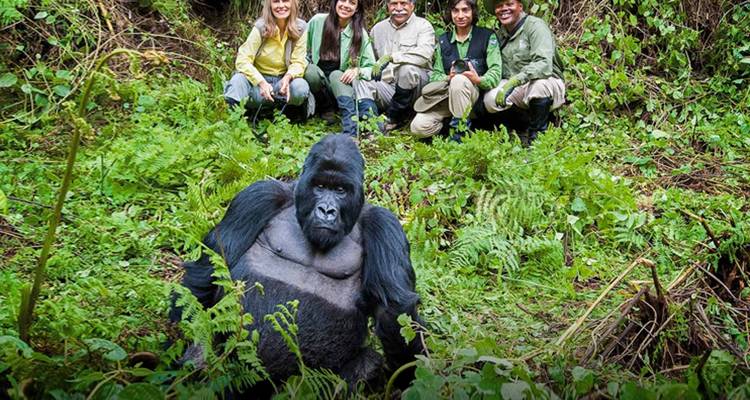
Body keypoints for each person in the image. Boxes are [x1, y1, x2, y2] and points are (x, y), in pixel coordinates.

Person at [410, 0, 502, 141]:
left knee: (460, 80)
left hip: (476, 96)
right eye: (455, 11)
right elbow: (435, 75)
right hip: (447, 96)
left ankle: (459, 136)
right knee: (418, 127)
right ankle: (453, 124)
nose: (460, 15)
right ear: (450, 13)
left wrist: (477, 79)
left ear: (473, 12)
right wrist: (448, 77)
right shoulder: (443, 40)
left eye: (465, 10)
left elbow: (496, 71)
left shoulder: (487, 36)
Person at [482, 0, 565, 146]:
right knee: (490, 99)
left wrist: (515, 81)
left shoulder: (535, 26)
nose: (504, 9)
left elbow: (544, 64)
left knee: (539, 86)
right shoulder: (500, 34)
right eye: (499, 6)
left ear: (520, 6)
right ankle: (518, 129)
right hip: (518, 86)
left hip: (547, 81)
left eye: (509, 4)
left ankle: (537, 139)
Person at [353, 0, 435, 132]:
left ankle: (395, 117)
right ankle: (371, 122)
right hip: (389, 86)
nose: (398, 8)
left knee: (406, 69)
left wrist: (393, 57)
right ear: (388, 6)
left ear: (412, 5)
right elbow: (370, 62)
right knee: (359, 78)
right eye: (394, 4)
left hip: (417, 89)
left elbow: (425, 54)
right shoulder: (377, 29)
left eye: (403, 3)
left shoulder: (423, 26)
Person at [223, 0, 311, 119]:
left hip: (282, 83)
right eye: (275, 2)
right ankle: (234, 119)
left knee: (300, 87)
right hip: (257, 84)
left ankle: (284, 112)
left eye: (285, 1)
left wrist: (288, 77)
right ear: (270, 5)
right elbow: (243, 60)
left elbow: (299, 62)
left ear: (293, 4)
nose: (281, 6)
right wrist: (261, 82)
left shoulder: (300, 28)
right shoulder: (260, 27)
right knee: (237, 81)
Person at [305, 0, 376, 137]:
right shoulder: (317, 21)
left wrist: (357, 70)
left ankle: (350, 129)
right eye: (342, 0)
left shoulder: (359, 32)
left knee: (336, 75)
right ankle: (326, 109)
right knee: (310, 71)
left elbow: (371, 66)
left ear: (356, 9)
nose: (346, 5)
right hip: (319, 84)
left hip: (341, 86)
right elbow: (301, 48)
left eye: (352, 3)